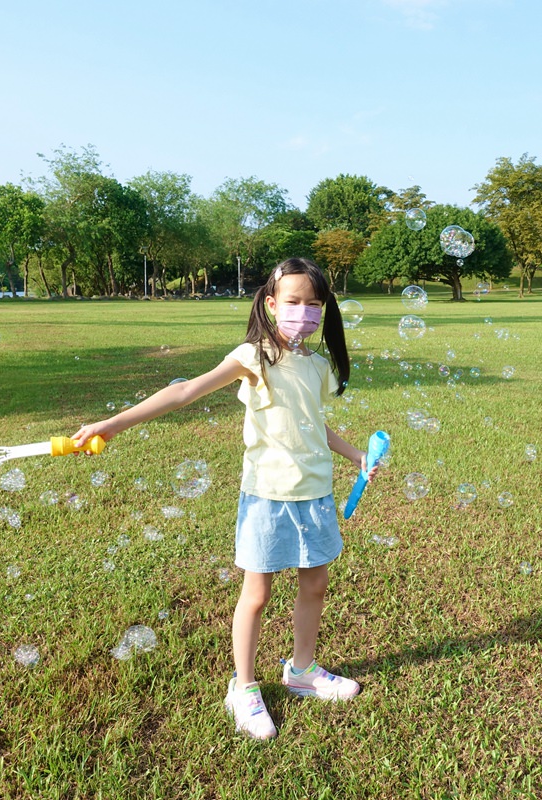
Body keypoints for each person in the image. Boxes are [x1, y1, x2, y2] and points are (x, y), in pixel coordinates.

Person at [71, 257, 374, 740]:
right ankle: (245, 686)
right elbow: (185, 391)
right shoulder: (253, 356)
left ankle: (301, 671)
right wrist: (111, 424)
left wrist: (356, 454)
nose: (305, 312)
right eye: (294, 302)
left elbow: (315, 425)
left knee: (314, 585)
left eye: (314, 304)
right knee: (257, 594)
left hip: (315, 493)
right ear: (272, 304)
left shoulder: (317, 366)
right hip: (267, 497)